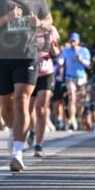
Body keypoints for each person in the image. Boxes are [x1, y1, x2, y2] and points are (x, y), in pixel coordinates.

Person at [0, 0, 51, 172]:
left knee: (22, 100)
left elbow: (49, 21)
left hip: (27, 55)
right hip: (2, 56)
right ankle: (14, 130)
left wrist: (39, 23)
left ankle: (18, 151)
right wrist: (6, 18)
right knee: (6, 104)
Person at [29, 21, 60, 157]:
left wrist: (52, 46)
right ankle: (32, 129)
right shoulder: (25, 27)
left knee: (40, 108)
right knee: (28, 109)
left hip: (46, 73)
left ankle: (38, 144)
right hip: (29, 73)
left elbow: (56, 51)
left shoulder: (50, 29)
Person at [60, 33, 91, 131]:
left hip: (81, 78)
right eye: (71, 40)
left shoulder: (84, 51)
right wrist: (60, 61)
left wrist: (81, 60)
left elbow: (89, 65)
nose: (72, 42)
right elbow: (60, 60)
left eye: (74, 40)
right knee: (71, 98)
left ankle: (79, 118)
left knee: (80, 101)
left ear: (78, 41)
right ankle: (72, 119)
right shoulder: (66, 51)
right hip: (70, 77)